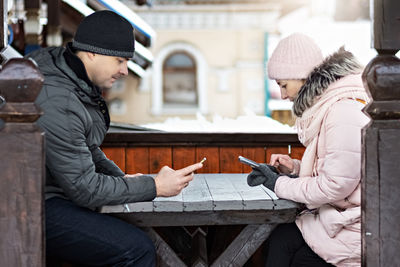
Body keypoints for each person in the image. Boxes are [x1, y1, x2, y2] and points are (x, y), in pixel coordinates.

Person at [28, 10, 203, 266]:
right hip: (30, 206)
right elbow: (84, 188)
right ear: (92, 52)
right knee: (136, 248)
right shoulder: (58, 99)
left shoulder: (72, 80)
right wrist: (155, 186)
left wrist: (120, 178)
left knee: (155, 236)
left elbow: (86, 148)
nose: (124, 70)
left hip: (49, 196)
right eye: (120, 61)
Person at [247, 33, 370, 266]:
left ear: (302, 77)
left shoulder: (343, 111)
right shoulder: (331, 105)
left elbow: (334, 185)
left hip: (355, 228)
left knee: (296, 258)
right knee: (280, 239)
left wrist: (278, 184)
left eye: (283, 85)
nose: (283, 95)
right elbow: (340, 169)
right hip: (338, 219)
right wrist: (294, 168)